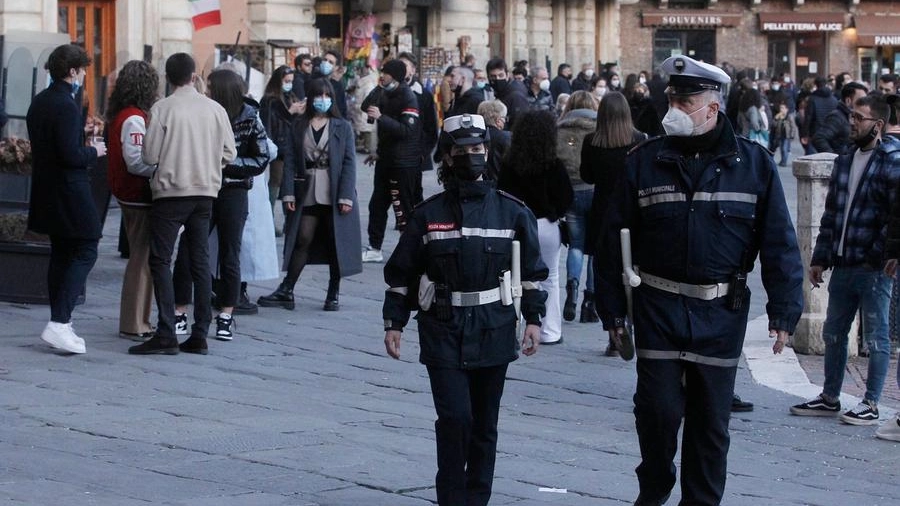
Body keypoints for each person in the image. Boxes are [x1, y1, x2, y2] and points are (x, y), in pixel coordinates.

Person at [594, 55, 803, 504]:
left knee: (710, 424)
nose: (673, 108)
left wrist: (785, 311)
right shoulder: (643, 162)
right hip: (658, 306)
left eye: (684, 100)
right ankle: (654, 485)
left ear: (712, 107)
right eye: (671, 98)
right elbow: (612, 241)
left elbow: (780, 243)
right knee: (657, 413)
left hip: (720, 313)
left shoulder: (754, 165)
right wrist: (611, 310)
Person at [382, 113, 548, 506]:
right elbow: (403, 272)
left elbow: (533, 275)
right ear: (449, 157)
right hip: (443, 326)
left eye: (478, 149)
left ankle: (477, 499)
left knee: (484, 425)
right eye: (463, 150)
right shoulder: (429, 213)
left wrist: (535, 320)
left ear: (487, 153)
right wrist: (395, 322)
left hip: (494, 326)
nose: (471, 156)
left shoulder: (512, 212)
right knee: (456, 419)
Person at [791, 94, 900, 426]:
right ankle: (830, 396)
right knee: (833, 332)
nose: (852, 122)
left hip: (874, 267)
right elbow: (832, 214)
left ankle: (871, 402)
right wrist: (820, 257)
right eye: (852, 116)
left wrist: (881, 253)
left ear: (878, 125)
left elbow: (894, 217)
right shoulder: (844, 160)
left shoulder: (892, 161)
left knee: (877, 336)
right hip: (843, 262)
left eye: (859, 117)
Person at [128, 53, 235, 356]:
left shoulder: (162, 108)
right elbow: (230, 152)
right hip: (205, 192)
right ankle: (200, 332)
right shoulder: (215, 109)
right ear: (192, 75)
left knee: (161, 260)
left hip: (171, 192)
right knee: (200, 261)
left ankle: (167, 329)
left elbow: (149, 156)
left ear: (169, 77)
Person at [170, 69, 269, 341]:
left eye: (211, 87)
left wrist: (225, 165)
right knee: (188, 251)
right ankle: (180, 311)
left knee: (229, 253)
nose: (206, 90)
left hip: (233, 191)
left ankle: (226, 314)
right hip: (202, 189)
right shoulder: (203, 111)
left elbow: (260, 159)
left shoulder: (250, 117)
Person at [27, 43, 108, 354]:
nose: (85, 74)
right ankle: (60, 321)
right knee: (87, 247)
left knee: (61, 252)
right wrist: (94, 151)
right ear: (72, 72)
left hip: (47, 189)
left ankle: (60, 320)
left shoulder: (40, 101)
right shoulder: (65, 104)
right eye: (83, 69)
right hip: (69, 190)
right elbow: (71, 155)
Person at [257, 78, 362, 311]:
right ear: (310, 98)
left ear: (332, 98)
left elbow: (349, 163)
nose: (322, 100)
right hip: (307, 189)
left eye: (326, 96)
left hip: (334, 191)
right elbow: (291, 161)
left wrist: (346, 196)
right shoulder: (299, 125)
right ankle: (287, 289)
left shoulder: (342, 126)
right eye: (318, 96)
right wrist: (288, 194)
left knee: (336, 242)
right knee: (302, 238)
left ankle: (333, 292)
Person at [579, 91, 647, 354]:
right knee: (633, 269)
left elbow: (588, 175)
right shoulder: (639, 140)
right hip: (632, 212)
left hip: (603, 212)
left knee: (605, 273)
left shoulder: (592, 141)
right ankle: (631, 321)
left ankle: (614, 330)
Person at [499, 110, 574, 345]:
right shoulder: (553, 164)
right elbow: (566, 197)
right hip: (546, 224)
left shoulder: (510, 164)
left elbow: (502, 194)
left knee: (517, 276)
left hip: (518, 225)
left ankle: (518, 326)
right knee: (550, 276)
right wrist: (555, 212)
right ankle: (550, 331)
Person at [106, 60, 159, 341]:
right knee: (141, 259)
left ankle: (139, 318)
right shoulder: (135, 118)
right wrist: (162, 167)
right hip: (137, 194)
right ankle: (134, 321)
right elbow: (137, 161)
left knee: (142, 258)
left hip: (129, 194)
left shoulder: (123, 114)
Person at [360, 59, 423, 263]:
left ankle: (409, 249)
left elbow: (406, 130)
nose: (382, 75)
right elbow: (365, 107)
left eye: (385, 73)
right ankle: (374, 247)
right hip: (386, 160)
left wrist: (381, 117)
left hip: (403, 163)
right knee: (377, 205)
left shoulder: (408, 96)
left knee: (402, 207)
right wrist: (378, 89)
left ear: (394, 75)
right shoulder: (385, 91)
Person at [556, 91, 600, 323]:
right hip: (593, 190)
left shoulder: (560, 128)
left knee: (576, 244)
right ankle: (589, 300)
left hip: (570, 191)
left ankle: (571, 288)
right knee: (593, 249)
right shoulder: (599, 127)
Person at [260, 65, 305, 231]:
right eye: (286, 81)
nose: (289, 84)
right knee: (276, 182)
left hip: (291, 145)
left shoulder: (290, 96)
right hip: (277, 147)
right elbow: (270, 123)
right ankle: (270, 220)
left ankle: (289, 221)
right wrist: (290, 112)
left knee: (290, 183)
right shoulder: (269, 100)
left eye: (291, 81)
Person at [812, 82, 868, 154]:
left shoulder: (851, 116)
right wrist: (834, 158)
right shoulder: (837, 117)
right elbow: (819, 138)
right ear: (848, 101)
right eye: (861, 100)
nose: (865, 104)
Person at [486, 58, 530, 129]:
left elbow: (520, 125)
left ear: (507, 75)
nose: (497, 79)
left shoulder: (515, 95)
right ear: (488, 77)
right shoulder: (498, 92)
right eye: (493, 76)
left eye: (501, 75)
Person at [802, 76, 838, 154]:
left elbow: (808, 117)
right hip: (831, 131)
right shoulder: (834, 99)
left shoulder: (812, 99)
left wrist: (804, 134)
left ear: (815, 85)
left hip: (815, 131)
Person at [476, 99, 510, 181]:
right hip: (502, 186)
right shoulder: (507, 137)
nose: (505, 121)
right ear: (498, 120)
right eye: (504, 118)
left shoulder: (474, 138)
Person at [770, 102, 796, 167]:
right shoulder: (779, 116)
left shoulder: (789, 116)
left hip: (787, 135)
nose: (781, 109)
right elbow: (773, 125)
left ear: (786, 109)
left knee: (785, 148)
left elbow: (793, 126)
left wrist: (792, 135)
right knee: (781, 149)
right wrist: (775, 118)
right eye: (780, 108)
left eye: (783, 108)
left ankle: (784, 162)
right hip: (780, 135)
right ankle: (782, 160)